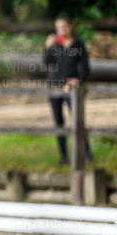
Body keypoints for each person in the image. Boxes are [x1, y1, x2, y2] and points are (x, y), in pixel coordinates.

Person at [44, 15, 92, 166]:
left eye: (64, 27)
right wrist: (47, 48)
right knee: (59, 122)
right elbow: (47, 64)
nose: (61, 30)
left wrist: (78, 80)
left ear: (71, 27)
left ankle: (87, 154)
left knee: (77, 121)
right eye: (58, 27)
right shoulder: (54, 44)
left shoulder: (78, 44)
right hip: (54, 86)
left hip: (72, 89)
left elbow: (85, 68)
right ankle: (63, 156)